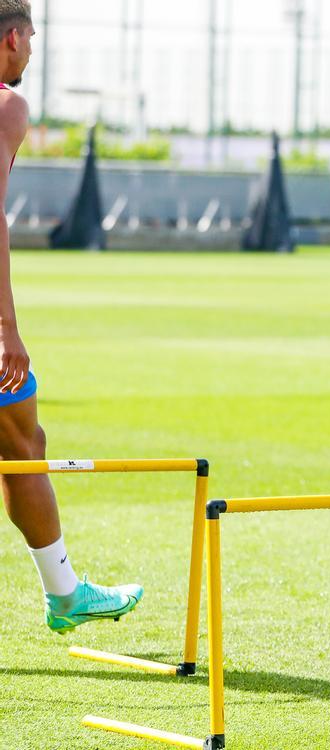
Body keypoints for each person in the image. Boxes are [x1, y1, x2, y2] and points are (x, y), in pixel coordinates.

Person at [0, 0, 143, 632]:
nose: (31, 49)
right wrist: (7, 329)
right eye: (31, 36)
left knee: (20, 443)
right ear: (12, 37)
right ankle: (64, 594)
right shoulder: (7, 104)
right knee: (22, 444)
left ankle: (64, 591)